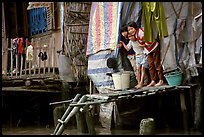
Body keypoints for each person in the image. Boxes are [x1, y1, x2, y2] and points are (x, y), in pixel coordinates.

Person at [127, 21, 164, 87]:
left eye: (131, 29)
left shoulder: (141, 32)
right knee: (150, 65)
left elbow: (150, 40)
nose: (131, 31)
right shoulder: (136, 34)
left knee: (156, 63)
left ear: (135, 27)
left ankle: (161, 80)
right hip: (148, 50)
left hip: (153, 47)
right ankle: (153, 80)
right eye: (129, 30)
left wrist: (142, 45)